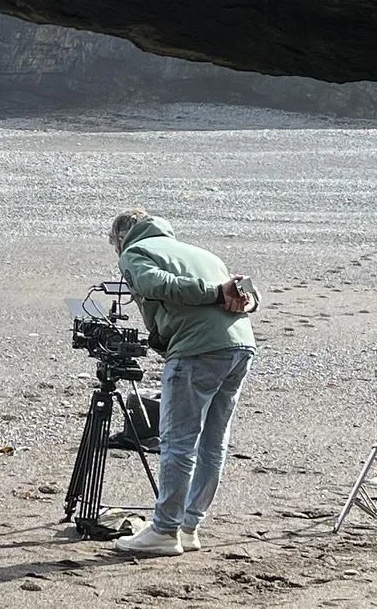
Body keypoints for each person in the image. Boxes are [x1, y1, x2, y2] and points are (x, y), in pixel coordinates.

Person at [107, 208, 256, 557]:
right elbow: (245, 292)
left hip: (197, 348)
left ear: (120, 238)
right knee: (213, 441)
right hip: (239, 346)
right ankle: (189, 525)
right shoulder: (201, 253)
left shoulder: (136, 252)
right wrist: (232, 295)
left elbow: (156, 284)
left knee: (178, 441)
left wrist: (215, 294)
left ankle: (164, 530)